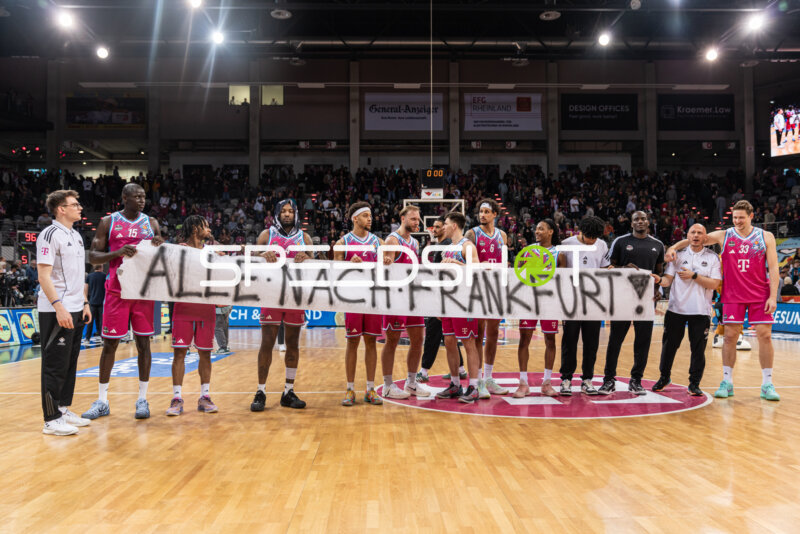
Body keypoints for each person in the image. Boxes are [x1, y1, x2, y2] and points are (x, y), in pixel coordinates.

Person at [667, 200, 780, 401]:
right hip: (733, 294)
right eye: (735, 217)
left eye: (741, 218)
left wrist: (773, 296)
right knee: (729, 337)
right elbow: (696, 239)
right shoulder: (725, 235)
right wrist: (674, 247)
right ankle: (727, 381)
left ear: (751, 216)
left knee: (765, 336)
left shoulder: (766, 236)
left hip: (759, 294)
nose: (737, 221)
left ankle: (767, 384)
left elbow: (773, 269)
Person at [81, 183, 164, 420]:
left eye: (143, 197)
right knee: (109, 345)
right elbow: (93, 256)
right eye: (136, 197)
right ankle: (102, 400)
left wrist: (159, 245)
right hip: (116, 291)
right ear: (124, 197)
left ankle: (142, 399)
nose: (141, 200)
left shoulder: (152, 223)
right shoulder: (108, 222)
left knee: (144, 345)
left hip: (142, 293)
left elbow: (161, 257)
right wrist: (117, 253)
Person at [250, 199, 313, 412]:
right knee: (267, 343)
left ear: (296, 214)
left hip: (295, 296)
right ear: (277, 213)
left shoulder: (305, 237)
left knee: (293, 344)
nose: (287, 214)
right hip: (271, 295)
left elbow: (316, 264)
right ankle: (260, 391)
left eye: (291, 211)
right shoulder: (266, 235)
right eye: (284, 211)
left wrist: (308, 258)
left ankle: (288, 391)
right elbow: (249, 259)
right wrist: (261, 255)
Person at [38, 190, 92, 435]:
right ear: (61, 209)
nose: (79, 208)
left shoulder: (77, 235)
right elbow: (43, 275)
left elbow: (78, 275)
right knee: (54, 365)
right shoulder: (49, 235)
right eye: (74, 204)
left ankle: (62, 409)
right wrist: (59, 306)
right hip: (56, 310)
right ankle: (50, 419)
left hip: (76, 308)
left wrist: (85, 303)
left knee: (70, 363)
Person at [599, 211, 665, 395]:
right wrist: (623, 268)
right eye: (636, 219)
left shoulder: (657, 245)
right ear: (632, 223)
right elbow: (608, 269)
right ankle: (608, 380)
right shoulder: (620, 242)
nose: (640, 221)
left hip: (645, 300)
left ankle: (636, 380)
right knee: (615, 341)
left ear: (648, 222)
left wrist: (658, 289)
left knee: (642, 342)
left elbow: (659, 273)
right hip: (622, 298)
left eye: (643, 218)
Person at [333, 202, 391, 407]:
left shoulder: (379, 242)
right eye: (366, 215)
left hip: (373, 298)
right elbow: (335, 272)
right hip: (353, 299)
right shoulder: (342, 243)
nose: (370, 219)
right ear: (354, 219)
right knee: (352, 342)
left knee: (371, 343)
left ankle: (370, 388)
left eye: (371, 215)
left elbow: (389, 266)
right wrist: (348, 265)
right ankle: (350, 389)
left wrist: (388, 261)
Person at [653, 224, 721, 396]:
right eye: (693, 232)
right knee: (669, 347)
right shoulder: (678, 256)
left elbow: (715, 284)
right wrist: (658, 281)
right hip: (676, 309)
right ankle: (664, 377)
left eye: (700, 233)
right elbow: (668, 280)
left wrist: (694, 276)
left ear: (706, 237)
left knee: (698, 350)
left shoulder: (713, 258)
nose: (696, 235)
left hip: (701, 311)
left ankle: (694, 383)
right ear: (687, 236)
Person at [166, 216, 219, 416]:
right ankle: (177, 398)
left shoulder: (212, 251)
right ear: (196, 229)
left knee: (205, 353)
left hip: (206, 307)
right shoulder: (177, 250)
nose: (209, 228)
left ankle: (204, 397)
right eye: (205, 226)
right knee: (179, 353)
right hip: (183, 306)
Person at [434, 211, 484, 404]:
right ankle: (455, 384)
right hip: (448, 300)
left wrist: (457, 263)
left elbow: (477, 269)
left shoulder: (467, 246)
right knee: (448, 341)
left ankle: (473, 386)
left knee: (469, 342)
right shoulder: (448, 247)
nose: (443, 227)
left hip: (465, 301)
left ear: (454, 225)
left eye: (445, 224)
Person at [380, 205, 429, 399]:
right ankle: (387, 385)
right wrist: (387, 261)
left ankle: (411, 383)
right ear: (402, 218)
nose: (417, 222)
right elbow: (387, 266)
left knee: (418, 340)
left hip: (412, 297)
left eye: (418, 219)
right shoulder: (392, 239)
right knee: (392, 340)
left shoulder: (415, 243)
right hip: (395, 297)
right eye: (413, 219)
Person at [514, 219, 566, 398]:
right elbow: (518, 275)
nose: (537, 231)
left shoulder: (558, 253)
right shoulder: (527, 251)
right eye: (536, 228)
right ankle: (523, 383)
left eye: (541, 229)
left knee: (550, 340)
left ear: (551, 231)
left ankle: (547, 382)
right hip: (529, 300)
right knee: (524, 340)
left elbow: (563, 281)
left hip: (549, 302)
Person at [558, 216, 609, 396]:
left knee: (591, 343)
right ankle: (566, 379)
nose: (592, 241)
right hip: (571, 302)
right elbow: (561, 273)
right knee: (569, 341)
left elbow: (604, 270)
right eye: (590, 238)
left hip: (593, 302)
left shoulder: (602, 245)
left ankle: (587, 379)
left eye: (596, 238)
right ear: (581, 233)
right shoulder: (566, 243)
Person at [465, 198, 509, 398]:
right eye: (480, 211)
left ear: (494, 214)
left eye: (486, 211)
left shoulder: (503, 236)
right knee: (478, 334)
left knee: (493, 333)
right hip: (478, 288)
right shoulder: (472, 234)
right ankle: (479, 379)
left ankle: (489, 377)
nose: (482, 215)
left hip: (496, 288)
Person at [417, 217, 465, 383]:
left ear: (447, 228)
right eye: (434, 227)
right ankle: (461, 369)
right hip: (442, 295)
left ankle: (423, 371)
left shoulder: (447, 246)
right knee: (447, 335)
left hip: (444, 297)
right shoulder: (441, 246)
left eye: (439, 226)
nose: (435, 229)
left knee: (432, 333)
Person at [84, 264, 105, 342]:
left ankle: (87, 338)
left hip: (92, 302)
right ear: (101, 267)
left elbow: (85, 290)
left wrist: (85, 302)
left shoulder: (89, 276)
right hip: (102, 303)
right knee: (101, 321)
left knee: (90, 321)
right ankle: (102, 338)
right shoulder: (104, 276)